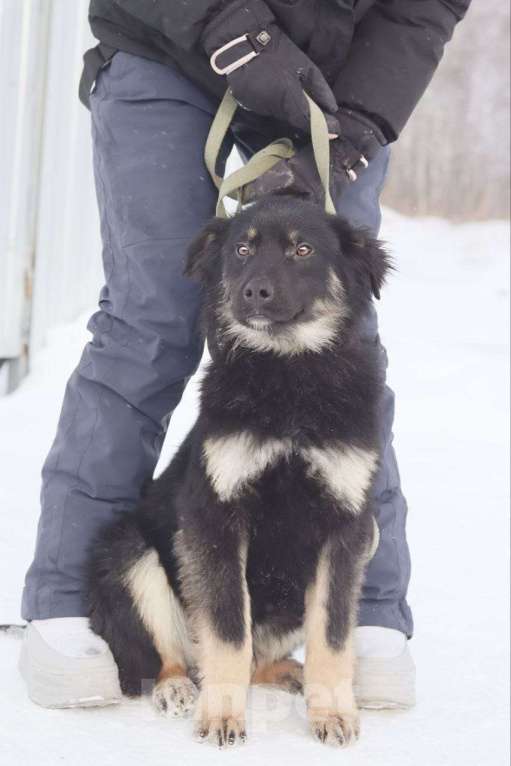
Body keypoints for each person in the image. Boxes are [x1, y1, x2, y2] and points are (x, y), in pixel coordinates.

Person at [20, 0, 470, 710]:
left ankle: (369, 615)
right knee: (149, 320)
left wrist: (358, 124)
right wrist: (232, 31)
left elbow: (422, 10)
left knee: (341, 321)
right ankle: (67, 601)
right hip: (166, 40)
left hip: (333, 77)